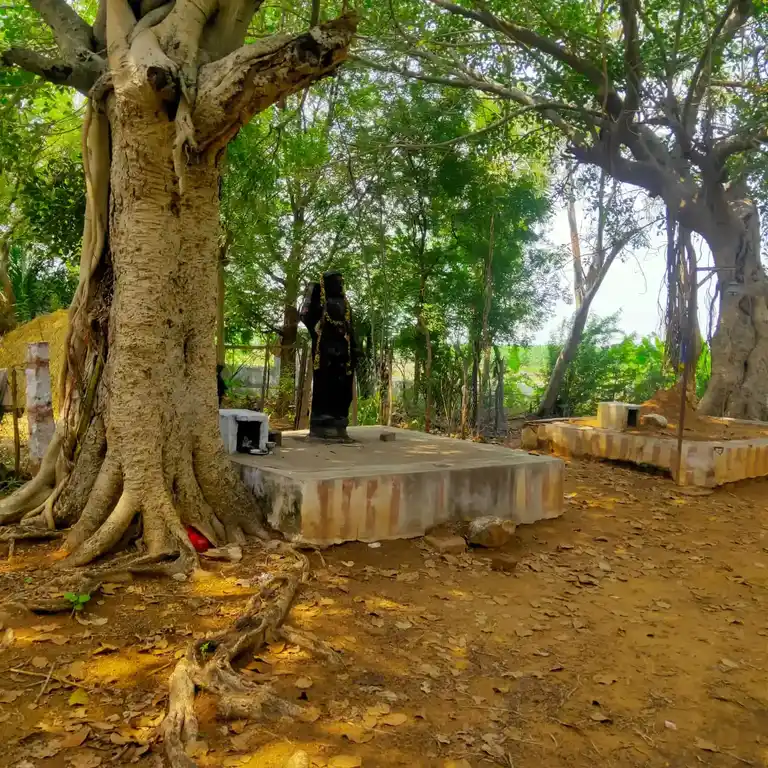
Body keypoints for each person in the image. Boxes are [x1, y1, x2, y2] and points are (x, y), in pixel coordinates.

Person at [300, 271, 358, 440]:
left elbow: (351, 326)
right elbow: (305, 316)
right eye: (336, 282)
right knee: (325, 383)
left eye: (341, 282)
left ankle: (340, 418)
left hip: (343, 348)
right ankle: (322, 420)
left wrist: (355, 346)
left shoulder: (345, 303)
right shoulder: (320, 300)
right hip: (325, 348)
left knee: (343, 384)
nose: (340, 286)